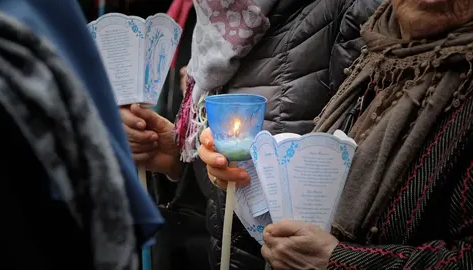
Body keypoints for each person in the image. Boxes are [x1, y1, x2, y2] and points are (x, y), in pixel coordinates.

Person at [199, 0, 473, 269]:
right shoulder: (378, 46)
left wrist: (341, 261)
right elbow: (316, 177)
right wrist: (245, 178)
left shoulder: (350, 15)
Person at [121, 0, 383, 269]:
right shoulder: (212, 19)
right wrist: (179, 159)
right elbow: (225, 168)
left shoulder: (348, 9)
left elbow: (368, 165)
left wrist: (343, 259)